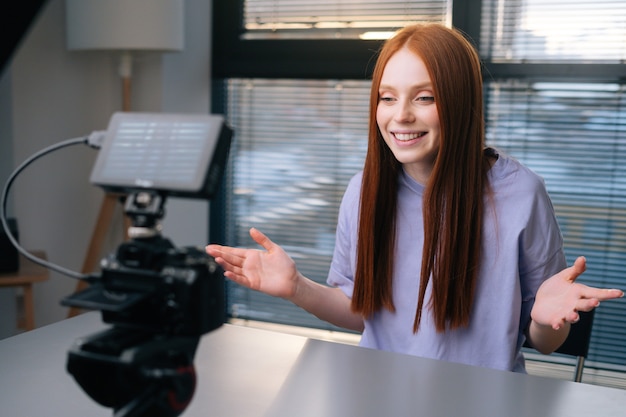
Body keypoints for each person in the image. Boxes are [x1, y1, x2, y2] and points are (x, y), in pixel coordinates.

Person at [206, 23, 623, 372]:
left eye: (424, 97)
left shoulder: (520, 193)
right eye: (387, 98)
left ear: (460, 102)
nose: (400, 115)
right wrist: (297, 288)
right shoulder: (364, 190)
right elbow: (360, 312)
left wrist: (543, 318)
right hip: (378, 393)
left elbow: (546, 343)